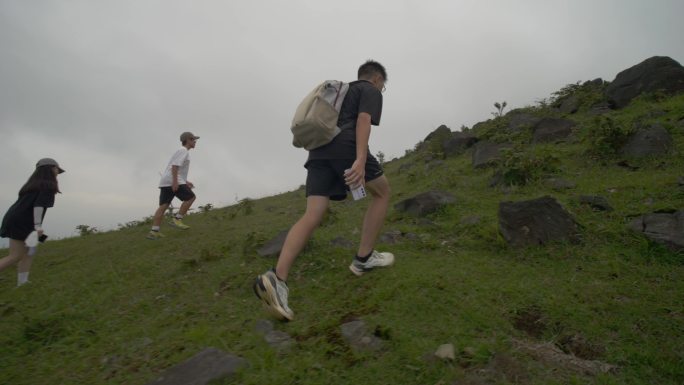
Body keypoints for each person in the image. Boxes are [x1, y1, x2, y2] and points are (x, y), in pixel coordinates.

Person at [254, 60, 394, 320]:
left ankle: (277, 279)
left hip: (318, 150)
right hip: (346, 146)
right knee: (382, 192)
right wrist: (360, 159)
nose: (381, 90)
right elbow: (364, 120)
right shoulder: (369, 90)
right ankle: (363, 258)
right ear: (376, 79)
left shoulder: (339, 96)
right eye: (382, 86)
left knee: (314, 213)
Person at [0, 158, 64, 286]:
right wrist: (38, 226)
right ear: (50, 168)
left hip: (14, 219)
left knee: (30, 250)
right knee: (16, 255)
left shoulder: (31, 185)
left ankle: (23, 282)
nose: (58, 172)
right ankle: (22, 281)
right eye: (57, 169)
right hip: (23, 222)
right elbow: (39, 206)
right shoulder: (48, 186)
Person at [147, 132, 199, 240]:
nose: (195, 141)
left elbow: (176, 169)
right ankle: (177, 219)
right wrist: (175, 182)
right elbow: (174, 167)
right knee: (191, 197)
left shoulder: (182, 151)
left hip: (167, 181)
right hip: (172, 181)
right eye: (193, 139)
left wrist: (186, 181)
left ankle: (154, 231)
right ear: (188, 140)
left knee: (163, 206)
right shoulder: (183, 151)